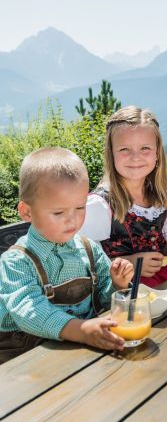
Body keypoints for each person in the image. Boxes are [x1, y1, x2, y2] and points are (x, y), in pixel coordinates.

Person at [0, 148, 134, 364]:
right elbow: (28, 311)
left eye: (80, 207)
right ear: (27, 212)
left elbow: (103, 298)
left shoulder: (89, 249)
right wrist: (81, 330)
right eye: (58, 213)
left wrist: (117, 285)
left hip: (80, 353)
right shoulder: (17, 262)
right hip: (24, 361)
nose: (72, 220)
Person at [80, 106, 167, 287]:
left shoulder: (163, 198)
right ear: (111, 154)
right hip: (121, 293)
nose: (135, 157)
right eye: (125, 149)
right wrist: (132, 263)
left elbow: (166, 248)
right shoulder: (100, 205)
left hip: (164, 285)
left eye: (145, 148)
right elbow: (86, 266)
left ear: (157, 153)